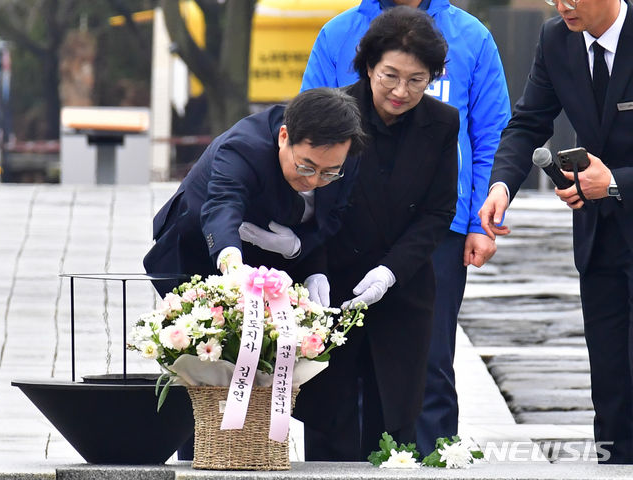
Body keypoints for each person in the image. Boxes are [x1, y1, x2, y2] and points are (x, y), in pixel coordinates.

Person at [299, 0, 511, 454]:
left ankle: (428, 460)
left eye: (416, 79)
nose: (401, 89)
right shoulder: (337, 32)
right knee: (336, 368)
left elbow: (492, 131)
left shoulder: (472, 35)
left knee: (426, 364)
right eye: (390, 76)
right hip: (341, 239)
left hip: (435, 233)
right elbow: (304, 135)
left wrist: (482, 220)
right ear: (369, 66)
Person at [479, 0, 633, 464]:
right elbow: (528, 122)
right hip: (598, 238)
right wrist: (502, 186)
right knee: (610, 387)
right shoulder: (555, 38)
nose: (563, 5)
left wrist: (613, 183)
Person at [143, 86, 366, 299]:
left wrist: (301, 251)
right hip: (199, 253)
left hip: (275, 267)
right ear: (284, 137)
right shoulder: (244, 147)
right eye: (305, 167)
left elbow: (332, 217)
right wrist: (231, 263)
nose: (313, 180)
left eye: (328, 173)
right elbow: (223, 204)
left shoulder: (346, 156)